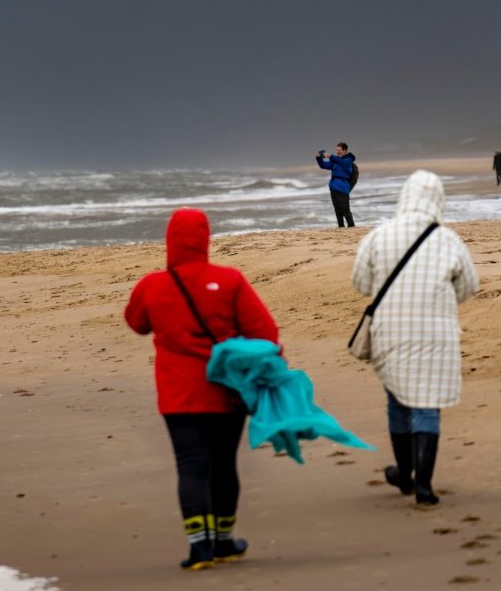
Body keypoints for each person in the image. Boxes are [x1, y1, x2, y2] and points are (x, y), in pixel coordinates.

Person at [125, 209, 280, 570]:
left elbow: (136, 324)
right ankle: (224, 540)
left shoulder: (152, 285)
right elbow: (266, 334)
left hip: (178, 395)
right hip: (228, 393)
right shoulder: (230, 281)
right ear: (205, 239)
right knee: (224, 464)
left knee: (191, 467)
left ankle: (199, 549)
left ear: (169, 241)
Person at [351, 170, 479, 506]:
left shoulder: (380, 235)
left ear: (404, 196)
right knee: (427, 403)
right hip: (436, 333)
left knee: (397, 398)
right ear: (439, 200)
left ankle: (404, 473)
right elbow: (468, 288)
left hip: (390, 331)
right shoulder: (448, 239)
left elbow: (361, 283)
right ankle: (424, 485)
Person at [316, 143, 356, 227]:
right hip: (333, 187)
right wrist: (319, 158)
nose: (337, 152)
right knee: (337, 210)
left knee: (345, 209)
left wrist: (330, 156)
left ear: (345, 150)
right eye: (337, 150)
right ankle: (341, 226)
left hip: (342, 187)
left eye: (339, 150)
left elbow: (342, 163)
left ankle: (351, 226)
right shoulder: (335, 161)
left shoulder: (348, 160)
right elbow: (323, 165)